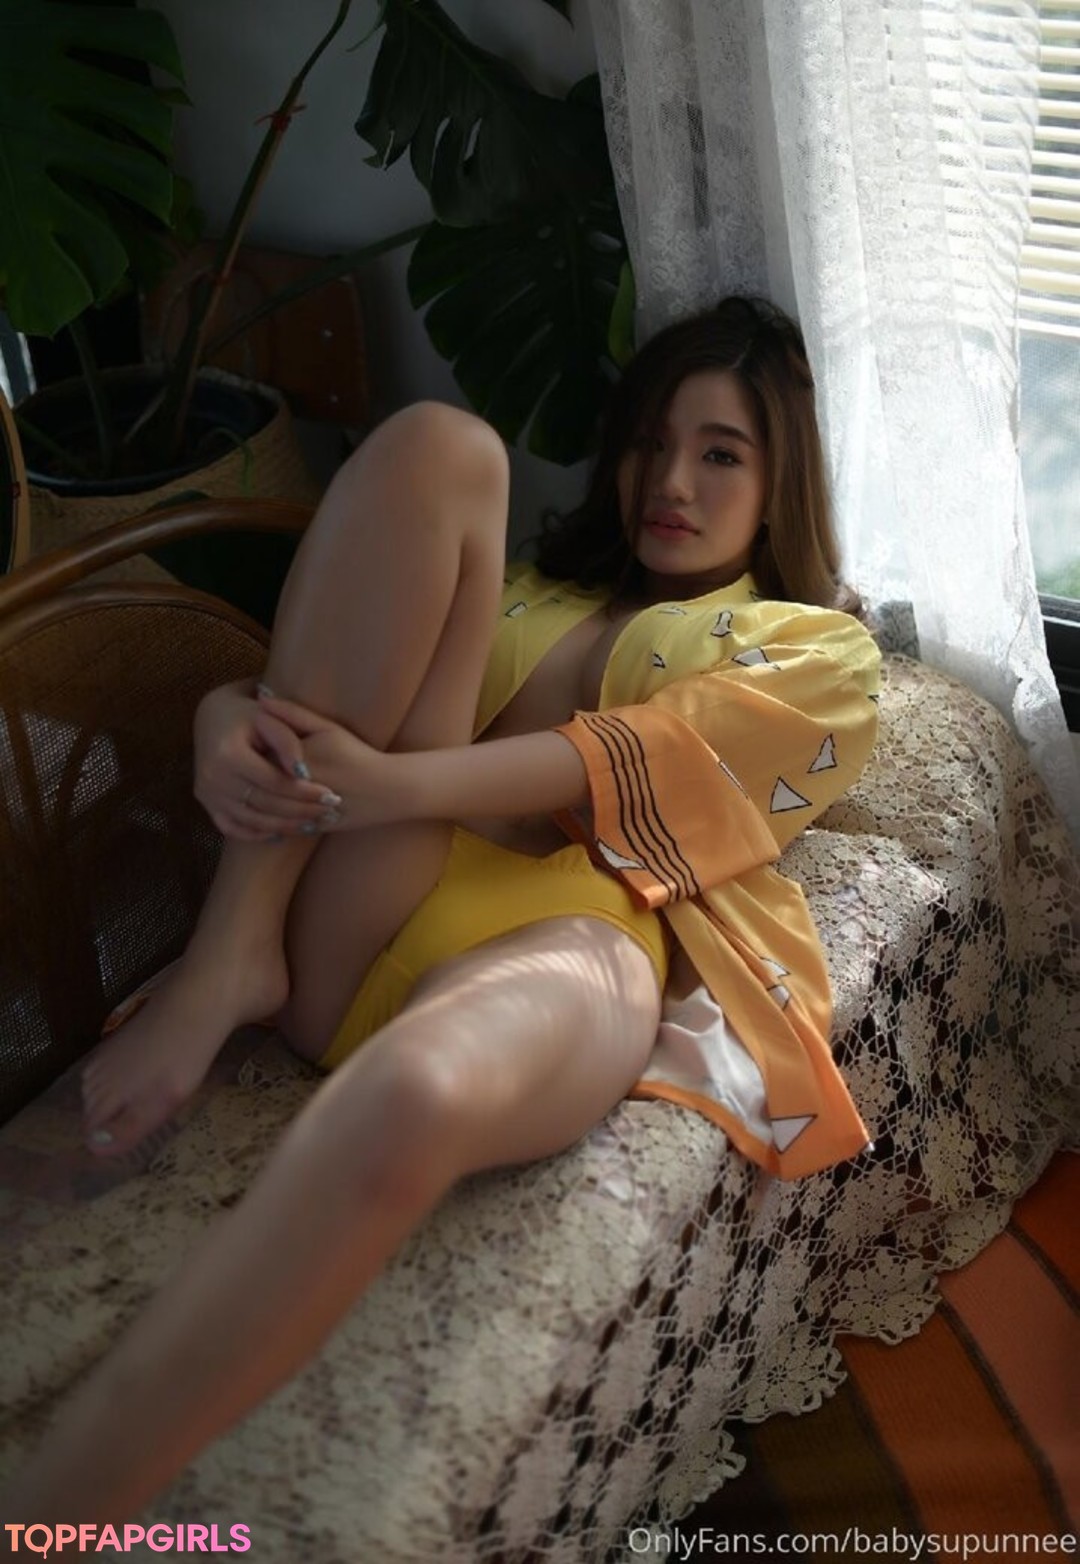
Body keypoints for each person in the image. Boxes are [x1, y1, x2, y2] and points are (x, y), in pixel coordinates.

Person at [3, 295, 881, 1526]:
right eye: (650, 441)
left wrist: (386, 786)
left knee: (415, 1090)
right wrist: (221, 719)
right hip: (364, 894)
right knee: (442, 446)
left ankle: (46, 1518)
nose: (670, 479)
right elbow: (313, 693)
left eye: (721, 452)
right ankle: (230, 955)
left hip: (580, 929)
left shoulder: (817, 650)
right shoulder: (525, 583)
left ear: (782, 483)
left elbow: (652, 760)